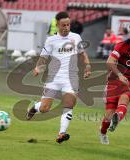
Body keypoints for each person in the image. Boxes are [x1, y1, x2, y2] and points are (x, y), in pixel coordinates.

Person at [26, 11, 91, 144]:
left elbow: (82, 53)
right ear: (57, 25)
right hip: (53, 78)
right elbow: (43, 57)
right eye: (64, 25)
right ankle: (34, 108)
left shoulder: (76, 37)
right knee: (45, 109)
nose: (67, 27)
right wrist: (38, 67)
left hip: (71, 78)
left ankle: (61, 133)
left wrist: (88, 66)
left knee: (69, 105)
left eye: (68, 25)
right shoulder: (51, 40)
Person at [99, 20, 130, 144]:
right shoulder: (121, 46)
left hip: (128, 82)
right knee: (108, 115)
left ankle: (118, 117)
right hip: (114, 81)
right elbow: (109, 62)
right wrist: (120, 75)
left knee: (125, 98)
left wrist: (125, 78)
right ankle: (103, 132)